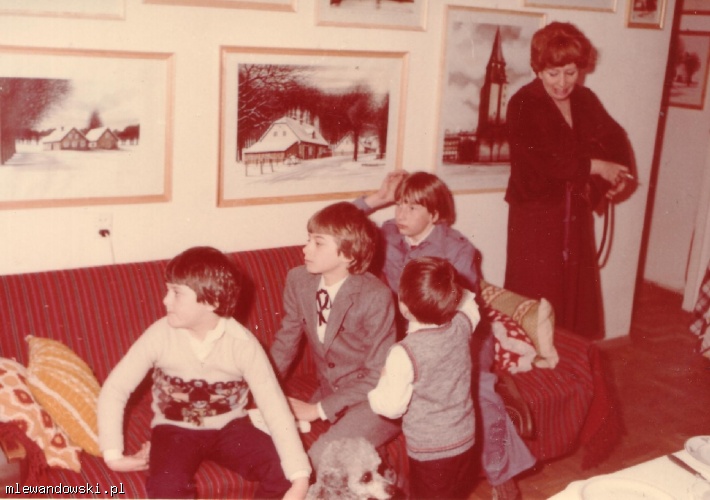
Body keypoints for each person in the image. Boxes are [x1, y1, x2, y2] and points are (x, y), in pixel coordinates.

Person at [357, 171, 535, 499]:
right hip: (407, 334)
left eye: (412, 207)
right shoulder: (387, 234)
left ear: (434, 215)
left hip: (456, 333)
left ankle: (501, 474)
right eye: (399, 204)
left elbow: (461, 307)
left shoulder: (456, 248)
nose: (401, 214)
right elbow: (341, 223)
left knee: (479, 392)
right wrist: (378, 198)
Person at [98, 246, 310, 499]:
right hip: (174, 429)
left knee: (283, 474)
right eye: (168, 290)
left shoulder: (242, 344)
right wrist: (113, 454)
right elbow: (115, 388)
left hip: (230, 428)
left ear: (211, 301)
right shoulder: (160, 334)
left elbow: (274, 406)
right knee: (166, 487)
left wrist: (300, 476)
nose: (165, 300)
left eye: (176, 293)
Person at [505, 21, 634, 338]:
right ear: (538, 69)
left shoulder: (585, 99)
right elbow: (546, 162)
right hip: (536, 218)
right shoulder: (523, 104)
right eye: (553, 74)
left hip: (574, 213)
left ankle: (571, 364)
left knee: (575, 303)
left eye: (571, 72)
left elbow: (615, 138)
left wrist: (617, 176)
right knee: (537, 299)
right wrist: (598, 167)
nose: (563, 83)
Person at [269, 201, 401, 470]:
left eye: (318, 243)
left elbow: (378, 375)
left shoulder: (376, 296)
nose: (306, 249)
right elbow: (286, 342)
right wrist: (261, 388)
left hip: (375, 400)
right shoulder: (298, 280)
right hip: (331, 391)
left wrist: (317, 410)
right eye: (308, 239)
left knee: (320, 458)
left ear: (348, 255)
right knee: (274, 442)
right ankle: (378, 471)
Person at [369, 256, 481, 499]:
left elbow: (391, 408)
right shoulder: (461, 326)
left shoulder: (403, 353)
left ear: (404, 308)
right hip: (465, 440)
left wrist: (379, 386)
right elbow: (470, 303)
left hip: (431, 452)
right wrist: (449, 289)